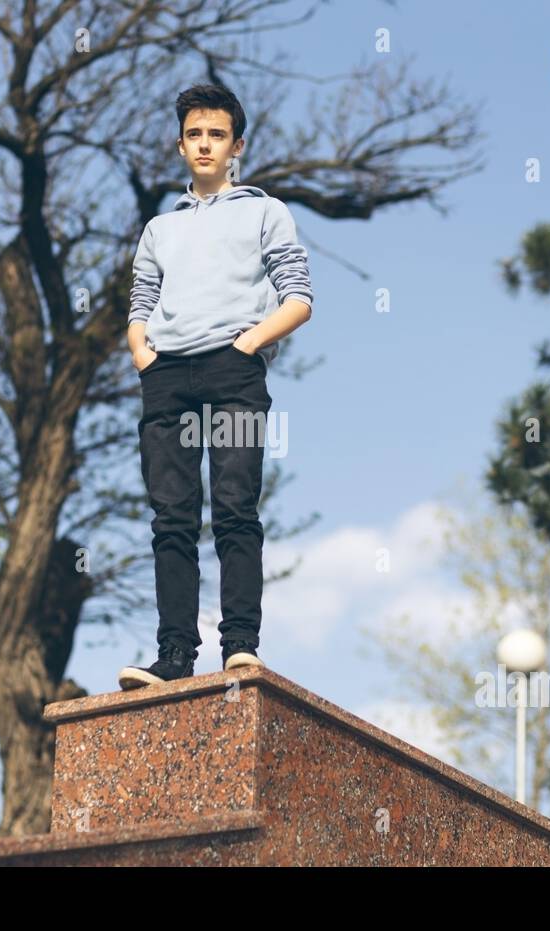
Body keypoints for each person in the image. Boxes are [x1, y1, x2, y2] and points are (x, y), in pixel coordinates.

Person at [118, 83, 313, 690]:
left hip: (234, 372)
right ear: (181, 146)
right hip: (168, 377)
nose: (205, 145)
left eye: (217, 135)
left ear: (237, 146)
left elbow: (299, 297)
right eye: (195, 135)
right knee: (171, 518)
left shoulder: (264, 210)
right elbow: (141, 299)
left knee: (234, 508)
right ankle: (174, 655)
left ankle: (240, 647)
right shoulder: (160, 229)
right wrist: (142, 352)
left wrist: (248, 344)